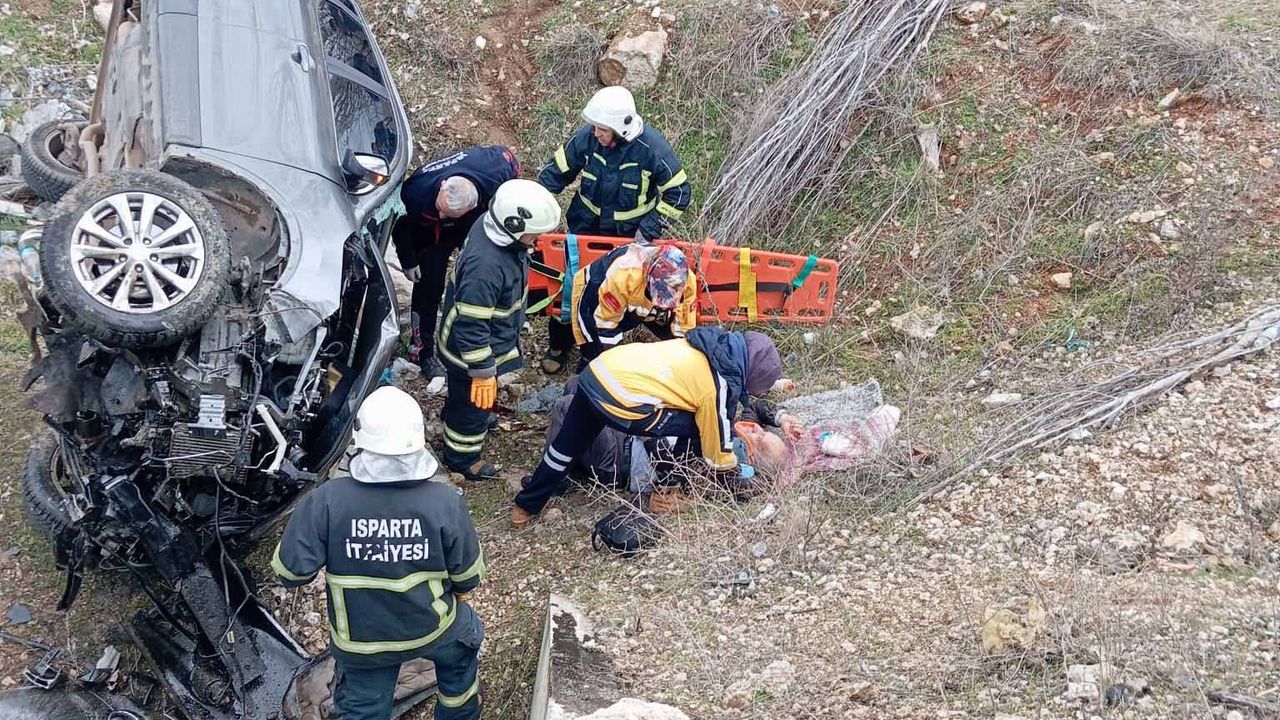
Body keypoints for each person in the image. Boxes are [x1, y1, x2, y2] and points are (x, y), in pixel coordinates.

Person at [272, 386, 486, 720]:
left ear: (359, 440)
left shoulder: (327, 500)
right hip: (433, 629)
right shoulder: (445, 502)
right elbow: (469, 576)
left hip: (362, 644)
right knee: (461, 656)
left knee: (363, 707)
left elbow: (290, 573)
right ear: (417, 440)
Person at [511, 327, 782, 528]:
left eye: (760, 437)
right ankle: (666, 492)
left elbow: (741, 406)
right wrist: (732, 471)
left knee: (567, 444)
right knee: (698, 427)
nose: (757, 431)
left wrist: (777, 421)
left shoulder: (706, 347)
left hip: (600, 371)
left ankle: (526, 505)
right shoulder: (717, 386)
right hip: (623, 399)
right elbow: (718, 455)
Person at [536, 86, 692, 374]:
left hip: (628, 239)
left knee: (618, 292)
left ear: (622, 128)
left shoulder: (651, 149)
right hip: (584, 230)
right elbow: (555, 173)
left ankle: (603, 348)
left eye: (603, 129)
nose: (596, 133)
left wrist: (650, 228)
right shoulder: (588, 138)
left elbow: (679, 193)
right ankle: (560, 344)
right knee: (570, 288)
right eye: (595, 127)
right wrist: (535, 206)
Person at [436, 179, 562, 481]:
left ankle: (462, 416)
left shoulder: (494, 228)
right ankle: (462, 456)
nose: (537, 239)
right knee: (471, 404)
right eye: (534, 234)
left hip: (484, 339)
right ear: (514, 226)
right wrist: (482, 370)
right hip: (469, 351)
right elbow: (472, 325)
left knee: (466, 399)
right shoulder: (485, 268)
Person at [393, 146, 520, 377]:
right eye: (440, 209)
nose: (442, 215)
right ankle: (421, 351)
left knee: (476, 283)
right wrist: (408, 259)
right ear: (443, 185)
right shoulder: (416, 191)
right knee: (429, 287)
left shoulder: (497, 168)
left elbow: (513, 181)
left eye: (447, 214)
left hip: (472, 227)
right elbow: (400, 225)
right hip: (430, 233)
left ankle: (475, 342)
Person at [566, 243, 697, 371]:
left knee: (677, 344)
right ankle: (582, 373)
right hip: (597, 294)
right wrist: (613, 366)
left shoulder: (687, 282)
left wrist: (680, 363)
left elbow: (684, 328)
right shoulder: (622, 276)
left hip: (637, 299)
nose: (660, 304)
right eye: (660, 294)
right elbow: (604, 325)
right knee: (594, 348)